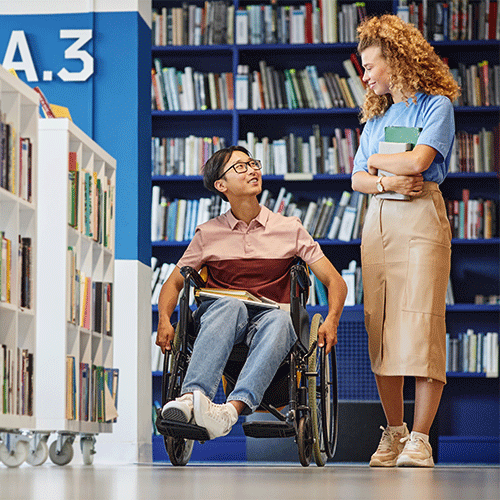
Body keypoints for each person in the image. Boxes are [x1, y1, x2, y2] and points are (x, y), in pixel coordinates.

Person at [156, 145, 347, 440]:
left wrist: (332, 319)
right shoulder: (207, 233)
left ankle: (229, 411)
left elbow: (336, 281)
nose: (253, 170)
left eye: (253, 164)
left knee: (284, 320)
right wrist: (165, 321)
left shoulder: (289, 228)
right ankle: (192, 398)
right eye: (241, 167)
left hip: (274, 317)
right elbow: (173, 283)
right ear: (221, 185)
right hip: (222, 316)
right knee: (229, 306)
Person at [351, 15, 460, 467]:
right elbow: (357, 177)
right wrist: (384, 180)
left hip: (421, 222)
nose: (364, 75)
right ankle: (393, 433)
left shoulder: (436, 106)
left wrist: (380, 165)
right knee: (381, 328)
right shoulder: (375, 117)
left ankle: (420, 438)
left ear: (395, 60)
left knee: (422, 324)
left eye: (370, 65)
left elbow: (419, 161)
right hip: (378, 222)